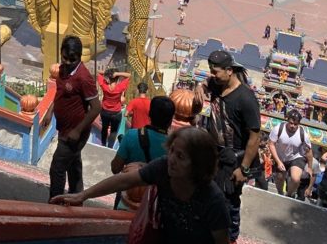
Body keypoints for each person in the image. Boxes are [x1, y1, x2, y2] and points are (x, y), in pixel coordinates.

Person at [53, 127, 231, 244]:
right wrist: (82, 195)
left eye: (181, 157)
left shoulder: (212, 199)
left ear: (198, 165)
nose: (172, 160)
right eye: (172, 151)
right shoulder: (163, 168)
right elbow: (125, 180)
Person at [199, 50, 261, 243]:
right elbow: (206, 82)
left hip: (235, 160)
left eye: (215, 71)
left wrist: (244, 168)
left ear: (229, 71)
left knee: (229, 204)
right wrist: (199, 86)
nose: (212, 75)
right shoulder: (217, 84)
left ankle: (230, 239)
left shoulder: (245, 98)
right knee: (209, 197)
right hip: (215, 155)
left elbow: (255, 137)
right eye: (211, 70)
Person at [41, 36, 100, 200]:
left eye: (72, 60)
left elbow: (96, 107)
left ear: (80, 57)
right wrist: (50, 111)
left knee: (57, 168)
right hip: (64, 128)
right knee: (74, 165)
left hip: (74, 133)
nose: (67, 62)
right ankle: (76, 197)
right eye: (64, 58)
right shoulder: (62, 70)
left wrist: (77, 130)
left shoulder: (84, 78)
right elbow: (59, 94)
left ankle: (55, 203)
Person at [112, 95, 175, 176]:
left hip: (131, 185)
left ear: (150, 114)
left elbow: (115, 168)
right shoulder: (174, 147)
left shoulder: (131, 136)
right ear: (171, 120)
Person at [268, 108, 312, 199]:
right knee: (280, 177)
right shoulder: (278, 129)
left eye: (295, 124)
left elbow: (309, 152)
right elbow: (271, 144)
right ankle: (280, 193)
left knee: (295, 179)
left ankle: (289, 194)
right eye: (291, 123)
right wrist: (278, 161)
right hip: (280, 157)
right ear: (287, 120)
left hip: (296, 157)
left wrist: (310, 168)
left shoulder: (303, 134)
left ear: (299, 124)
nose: (292, 126)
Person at [97, 67, 128, 148]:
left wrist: (108, 73)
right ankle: (110, 147)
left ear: (109, 78)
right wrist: (117, 74)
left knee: (104, 129)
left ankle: (103, 145)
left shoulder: (105, 86)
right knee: (113, 131)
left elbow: (99, 72)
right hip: (116, 113)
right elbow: (129, 75)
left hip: (105, 111)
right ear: (117, 78)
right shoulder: (120, 87)